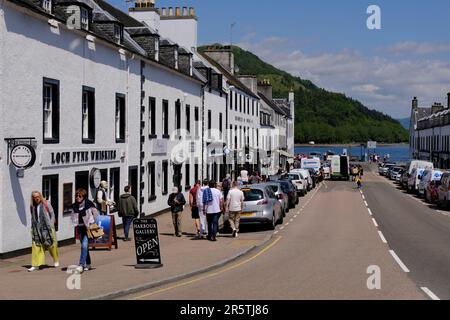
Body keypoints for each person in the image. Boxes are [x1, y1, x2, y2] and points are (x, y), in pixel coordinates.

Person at [28, 191, 59, 272]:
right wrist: (32, 228)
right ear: (33, 198)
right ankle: (36, 265)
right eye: (34, 197)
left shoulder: (46, 203)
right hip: (36, 229)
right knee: (36, 246)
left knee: (51, 245)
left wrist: (51, 225)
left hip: (47, 228)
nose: (36, 198)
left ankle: (55, 259)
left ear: (40, 196)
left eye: (37, 196)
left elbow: (52, 214)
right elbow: (33, 218)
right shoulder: (32, 206)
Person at [71, 189, 98, 273]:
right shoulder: (74, 206)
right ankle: (88, 264)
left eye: (80, 196)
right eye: (76, 196)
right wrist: (74, 223)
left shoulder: (89, 204)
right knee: (84, 246)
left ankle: (81, 265)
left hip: (88, 228)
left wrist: (93, 224)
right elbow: (72, 216)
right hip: (80, 228)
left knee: (84, 245)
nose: (77, 198)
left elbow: (96, 214)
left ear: (84, 196)